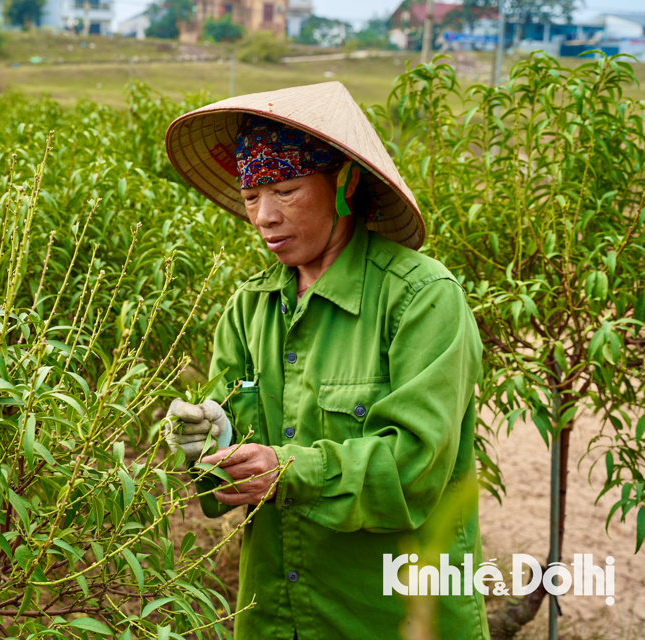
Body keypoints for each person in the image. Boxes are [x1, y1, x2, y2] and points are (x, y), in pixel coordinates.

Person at [162, 83, 490, 639]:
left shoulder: (421, 298)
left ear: (345, 185)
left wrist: (287, 470)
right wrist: (206, 445)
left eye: (286, 190)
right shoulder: (250, 307)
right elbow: (233, 466)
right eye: (250, 196)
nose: (264, 216)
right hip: (275, 615)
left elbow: (414, 468)